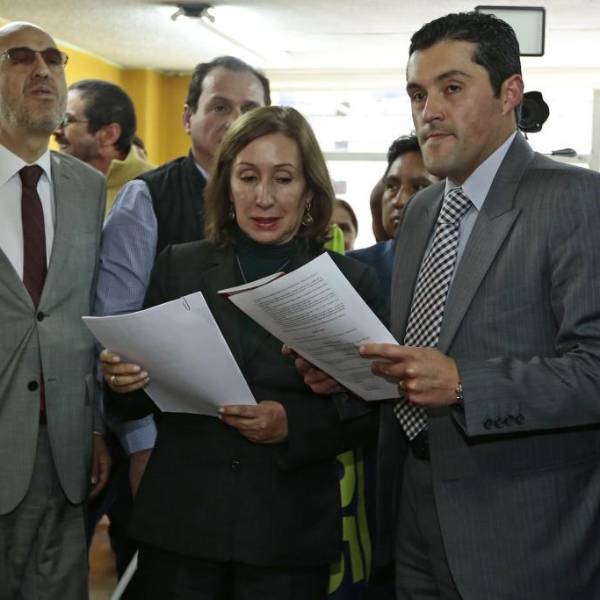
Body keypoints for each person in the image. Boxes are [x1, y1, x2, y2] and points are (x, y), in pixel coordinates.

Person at [299, 11, 600, 599]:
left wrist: (464, 384)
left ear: (509, 93)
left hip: (523, 535)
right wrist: (350, 376)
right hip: (412, 512)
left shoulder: (575, 199)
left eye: (452, 88)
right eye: (418, 94)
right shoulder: (420, 212)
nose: (428, 111)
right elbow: (416, 362)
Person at [100, 105, 381, 599]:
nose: (264, 197)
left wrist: (292, 424)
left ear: (310, 191)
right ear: (227, 187)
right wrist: (122, 380)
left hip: (286, 536)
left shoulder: (350, 282)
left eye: (283, 178)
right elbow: (140, 397)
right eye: (248, 177)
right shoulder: (179, 266)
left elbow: (372, 410)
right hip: (181, 531)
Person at [96, 57, 271, 497]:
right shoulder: (146, 198)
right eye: (220, 106)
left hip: (269, 443)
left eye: (250, 109)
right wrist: (142, 444)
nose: (235, 121)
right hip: (169, 443)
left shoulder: (285, 201)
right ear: (188, 117)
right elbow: (118, 331)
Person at [0, 21, 109, 598]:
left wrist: (94, 427)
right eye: (19, 57)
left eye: (52, 57)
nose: (42, 69)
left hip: (66, 453)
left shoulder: (88, 188)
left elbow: (82, 314)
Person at [349, 135, 437, 296]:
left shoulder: (461, 269)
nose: (399, 201)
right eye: (391, 186)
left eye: (419, 187)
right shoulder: (351, 268)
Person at [54, 79, 153, 215]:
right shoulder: (53, 182)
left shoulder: (157, 190)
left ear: (109, 134)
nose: (56, 130)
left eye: (66, 120)